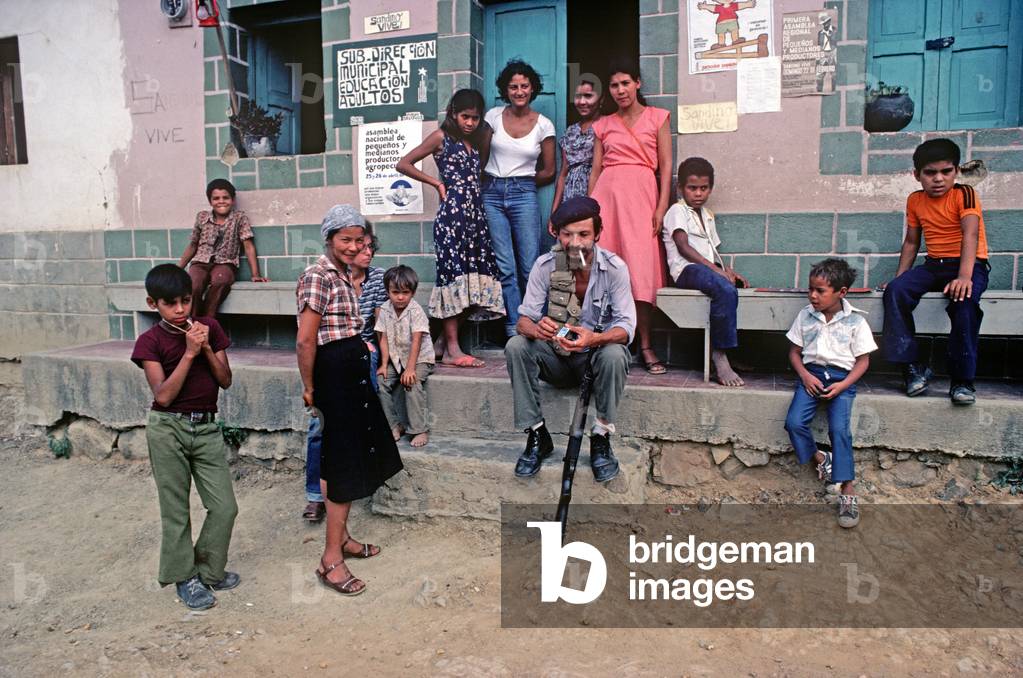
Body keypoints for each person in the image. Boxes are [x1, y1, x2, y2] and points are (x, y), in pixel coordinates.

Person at [296, 205, 403, 596]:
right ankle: (330, 560)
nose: (354, 246)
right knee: (341, 465)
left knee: (342, 461)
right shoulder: (317, 277)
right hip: (334, 375)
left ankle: (343, 538)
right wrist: (309, 386)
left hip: (352, 370)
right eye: (345, 239)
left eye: (360, 239)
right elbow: (306, 339)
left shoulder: (345, 276)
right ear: (329, 240)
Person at [130, 263, 240, 610]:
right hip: (168, 429)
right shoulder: (150, 342)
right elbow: (162, 396)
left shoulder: (210, 328)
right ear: (153, 304)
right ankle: (185, 578)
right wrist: (190, 353)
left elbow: (225, 379)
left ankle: (208, 570)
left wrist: (205, 347)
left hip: (205, 427)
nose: (180, 310)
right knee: (176, 510)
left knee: (225, 507)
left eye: (186, 301)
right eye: (170, 303)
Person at [505, 196, 636, 482]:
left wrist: (593, 339)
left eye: (583, 234)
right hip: (557, 359)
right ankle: (537, 433)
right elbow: (523, 320)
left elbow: (627, 329)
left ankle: (601, 436)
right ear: (557, 234)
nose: (574, 242)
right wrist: (538, 329)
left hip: (592, 359)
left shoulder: (614, 268)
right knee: (516, 346)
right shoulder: (545, 265)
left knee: (615, 353)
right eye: (567, 234)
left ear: (598, 234)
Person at [396, 88, 505, 367]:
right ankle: (454, 349)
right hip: (451, 219)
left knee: (473, 279)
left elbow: (479, 167)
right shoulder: (441, 137)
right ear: (453, 114)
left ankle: (443, 343)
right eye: (464, 116)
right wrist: (436, 183)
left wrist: (486, 133)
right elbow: (403, 164)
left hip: (474, 218)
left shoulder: (475, 141)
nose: (470, 122)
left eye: (475, 118)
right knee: (453, 278)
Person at [882, 138, 990, 405]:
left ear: (956, 171)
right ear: (916, 175)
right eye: (930, 173)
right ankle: (911, 368)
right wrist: (900, 278)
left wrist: (964, 277)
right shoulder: (915, 200)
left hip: (969, 265)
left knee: (964, 303)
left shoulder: (964, 194)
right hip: (935, 265)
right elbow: (911, 242)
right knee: (896, 291)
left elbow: (970, 234)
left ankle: (962, 381)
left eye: (946, 171)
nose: (938, 179)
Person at [589, 62, 672, 374]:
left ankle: (646, 345)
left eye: (625, 83)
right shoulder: (604, 124)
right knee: (605, 270)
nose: (620, 90)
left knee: (639, 273)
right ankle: (606, 343)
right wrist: (589, 211)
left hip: (641, 198)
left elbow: (666, 167)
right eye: (614, 85)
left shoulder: (657, 117)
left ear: (637, 83)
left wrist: (661, 208)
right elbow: (596, 170)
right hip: (607, 199)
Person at [301, 233, 386, 524]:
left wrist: (374, 348)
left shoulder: (373, 278)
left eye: (365, 246)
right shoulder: (324, 276)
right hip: (334, 361)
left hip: (362, 353)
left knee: (361, 424)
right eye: (351, 244)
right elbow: (307, 337)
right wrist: (309, 384)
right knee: (321, 429)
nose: (361, 250)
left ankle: (360, 483)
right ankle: (315, 496)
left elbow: (379, 320)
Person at [784, 259, 876, 528]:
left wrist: (843, 385)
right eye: (811, 289)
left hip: (841, 380)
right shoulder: (805, 315)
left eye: (820, 291)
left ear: (841, 292)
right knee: (794, 423)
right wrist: (805, 375)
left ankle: (848, 492)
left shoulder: (856, 322)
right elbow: (793, 353)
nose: (813, 295)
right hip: (811, 376)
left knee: (839, 431)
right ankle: (820, 458)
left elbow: (863, 361)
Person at [480, 59, 557, 337]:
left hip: (524, 194)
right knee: (505, 267)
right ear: (506, 89)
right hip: (491, 194)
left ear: (532, 88)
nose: (519, 91)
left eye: (524, 86)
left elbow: (549, 170)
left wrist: (520, 181)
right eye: (513, 87)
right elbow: (481, 157)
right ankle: (514, 327)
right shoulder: (492, 116)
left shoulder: (544, 125)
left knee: (530, 265)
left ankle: (538, 325)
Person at [663, 157, 749, 386]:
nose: (698, 193)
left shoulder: (707, 215)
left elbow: (710, 253)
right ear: (681, 188)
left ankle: (729, 351)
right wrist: (716, 272)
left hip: (703, 269)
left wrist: (727, 271)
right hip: (686, 271)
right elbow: (683, 247)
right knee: (723, 288)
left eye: (704, 188)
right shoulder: (677, 210)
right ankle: (719, 356)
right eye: (692, 188)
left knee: (734, 287)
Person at [178, 179, 268, 317]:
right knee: (194, 284)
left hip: (226, 263)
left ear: (232, 200)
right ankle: (193, 320)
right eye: (216, 198)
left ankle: (208, 320)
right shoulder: (202, 217)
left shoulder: (239, 218)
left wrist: (255, 275)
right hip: (200, 262)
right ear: (210, 201)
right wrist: (178, 269)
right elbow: (193, 244)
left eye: (225, 197)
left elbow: (248, 246)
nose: (221, 201)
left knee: (221, 280)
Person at [376, 265, 436, 448]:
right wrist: (384, 364)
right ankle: (394, 425)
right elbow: (383, 337)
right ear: (388, 291)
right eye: (395, 292)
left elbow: (417, 341)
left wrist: (410, 369)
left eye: (405, 292)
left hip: (420, 359)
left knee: (411, 382)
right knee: (380, 382)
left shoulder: (415, 311)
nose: (400, 297)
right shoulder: (385, 309)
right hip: (396, 359)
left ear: (413, 293)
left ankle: (419, 429)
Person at [548, 79, 602, 234]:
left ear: (601, 99)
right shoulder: (570, 131)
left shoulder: (607, 125)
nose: (582, 101)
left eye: (588, 96)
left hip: (595, 191)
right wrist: (554, 213)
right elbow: (563, 174)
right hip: (570, 196)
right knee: (568, 245)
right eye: (578, 96)